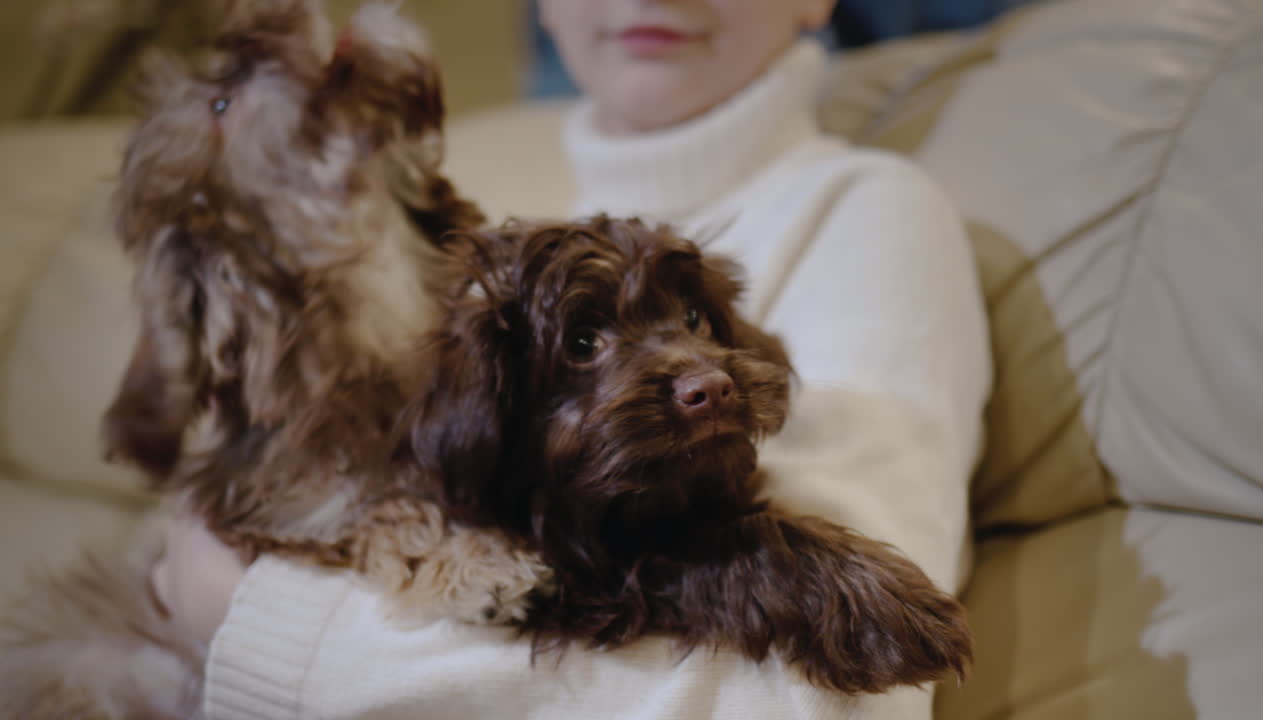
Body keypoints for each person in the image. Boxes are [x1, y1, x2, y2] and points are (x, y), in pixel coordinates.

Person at [156, 1, 992, 717]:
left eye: (701, 321)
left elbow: (817, 704)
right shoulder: (475, 254)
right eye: (586, 344)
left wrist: (247, 615)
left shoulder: (868, 215)